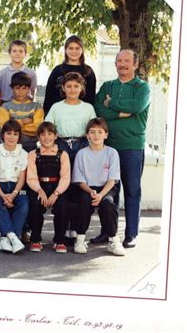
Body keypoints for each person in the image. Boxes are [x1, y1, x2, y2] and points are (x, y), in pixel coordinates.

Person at [94, 49, 150, 248]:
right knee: (109, 192)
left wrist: (112, 104)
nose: (123, 64)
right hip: (109, 147)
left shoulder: (142, 87)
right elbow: (98, 109)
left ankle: (131, 234)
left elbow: (136, 106)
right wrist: (120, 113)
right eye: (119, 61)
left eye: (127, 61)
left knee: (132, 191)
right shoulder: (108, 85)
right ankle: (108, 233)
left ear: (135, 64)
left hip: (132, 147)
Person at [45, 71, 96, 243]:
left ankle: (75, 227)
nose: (72, 89)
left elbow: (92, 129)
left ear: (81, 88)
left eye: (76, 86)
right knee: (63, 186)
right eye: (69, 86)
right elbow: (49, 128)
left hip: (82, 145)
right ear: (63, 88)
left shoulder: (87, 108)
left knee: (78, 186)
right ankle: (63, 228)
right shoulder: (56, 107)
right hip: (61, 145)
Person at [71, 118, 125, 256]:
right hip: (87, 188)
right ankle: (80, 239)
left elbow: (113, 180)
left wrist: (101, 195)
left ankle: (113, 241)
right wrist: (91, 192)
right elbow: (79, 180)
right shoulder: (82, 154)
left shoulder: (112, 153)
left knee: (108, 204)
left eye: (100, 132)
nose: (96, 135)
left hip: (106, 188)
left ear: (106, 135)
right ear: (87, 135)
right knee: (83, 202)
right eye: (92, 132)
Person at [26, 122, 70, 253]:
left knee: (62, 206)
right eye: (43, 134)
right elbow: (31, 177)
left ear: (55, 136)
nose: (46, 137)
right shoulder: (33, 154)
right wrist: (40, 191)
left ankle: (60, 240)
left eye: (50, 134)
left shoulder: (62, 154)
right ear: (38, 137)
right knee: (35, 205)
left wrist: (56, 193)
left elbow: (66, 177)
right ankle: (35, 239)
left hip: (57, 187)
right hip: (38, 186)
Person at [0, 119, 29, 254]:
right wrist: (3, 195)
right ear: (3, 135)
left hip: (17, 188)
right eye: (8, 133)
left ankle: (6, 238)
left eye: (15, 134)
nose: (11, 137)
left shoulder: (24, 154)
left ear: (19, 136)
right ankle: (13, 237)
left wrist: (14, 193)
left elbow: (22, 177)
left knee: (25, 203)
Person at [43, 35, 96, 114]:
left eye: (77, 48)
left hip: (80, 114)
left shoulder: (88, 72)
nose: (74, 51)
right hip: (58, 113)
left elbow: (91, 97)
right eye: (71, 48)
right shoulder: (57, 70)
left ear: (82, 50)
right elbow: (49, 95)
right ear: (65, 50)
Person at [0, 71, 44, 153]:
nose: (21, 91)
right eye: (17, 88)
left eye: (24, 88)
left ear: (29, 89)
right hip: (11, 147)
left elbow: (37, 128)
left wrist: (14, 123)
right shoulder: (5, 107)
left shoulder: (37, 107)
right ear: (12, 88)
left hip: (32, 146)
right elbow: (6, 128)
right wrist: (25, 121)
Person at [0, 40, 37, 106]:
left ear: (25, 54)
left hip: (25, 107)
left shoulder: (31, 73)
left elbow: (32, 93)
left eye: (21, 51)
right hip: (6, 106)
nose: (17, 54)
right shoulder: (2, 73)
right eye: (14, 51)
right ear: (9, 53)